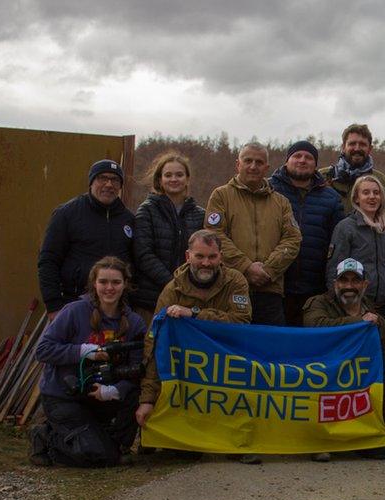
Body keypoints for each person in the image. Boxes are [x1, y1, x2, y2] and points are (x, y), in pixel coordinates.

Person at [134, 230, 254, 462]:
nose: (206, 263)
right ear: (188, 256)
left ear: (221, 257)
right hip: (189, 373)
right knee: (181, 452)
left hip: (226, 366)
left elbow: (241, 322)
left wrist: (194, 314)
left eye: (212, 257)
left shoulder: (236, 281)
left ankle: (238, 441)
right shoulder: (172, 291)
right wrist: (147, 399)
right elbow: (154, 344)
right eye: (200, 256)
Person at [29, 257, 145, 468]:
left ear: (125, 284)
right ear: (94, 283)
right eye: (103, 282)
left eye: (116, 282)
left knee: (133, 396)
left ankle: (114, 446)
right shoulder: (74, 311)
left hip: (102, 395)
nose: (109, 288)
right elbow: (43, 350)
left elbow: (137, 372)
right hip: (64, 396)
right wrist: (82, 351)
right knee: (99, 455)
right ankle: (45, 437)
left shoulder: (134, 322)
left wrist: (114, 390)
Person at [303, 258, 385, 461]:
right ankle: (323, 441)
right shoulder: (319, 304)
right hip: (323, 390)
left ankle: (348, 440)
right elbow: (313, 326)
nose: (349, 286)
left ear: (365, 285)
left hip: (356, 401)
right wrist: (358, 322)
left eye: (355, 281)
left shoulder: (378, 322)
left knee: (381, 452)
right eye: (343, 280)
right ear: (335, 284)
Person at [204, 142, 301, 326]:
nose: (253, 166)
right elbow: (214, 235)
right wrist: (246, 267)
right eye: (248, 161)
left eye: (259, 162)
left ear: (267, 168)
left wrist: (268, 270)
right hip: (229, 288)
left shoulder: (281, 202)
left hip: (270, 291)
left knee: (270, 350)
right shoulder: (220, 196)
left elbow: (293, 239)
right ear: (238, 164)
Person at [38, 160, 134, 320]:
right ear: (91, 182)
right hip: (73, 305)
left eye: (115, 180)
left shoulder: (129, 219)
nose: (109, 184)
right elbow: (48, 261)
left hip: (116, 309)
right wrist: (53, 305)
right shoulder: (67, 214)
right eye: (102, 178)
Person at [270, 140, 345, 326]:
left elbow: (337, 246)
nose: (302, 160)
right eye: (297, 156)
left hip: (314, 288)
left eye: (309, 157)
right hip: (274, 285)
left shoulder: (331, 198)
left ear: (316, 164)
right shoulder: (268, 190)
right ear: (287, 160)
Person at [131, 153, 205, 325]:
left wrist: (189, 288)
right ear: (159, 179)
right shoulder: (147, 210)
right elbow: (143, 254)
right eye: (168, 175)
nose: (174, 179)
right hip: (150, 300)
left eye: (179, 175)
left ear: (187, 179)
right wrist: (174, 283)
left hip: (189, 301)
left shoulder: (200, 214)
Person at [327, 174, 385, 325]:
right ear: (356, 198)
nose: (372, 197)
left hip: (384, 306)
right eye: (366, 192)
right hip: (355, 305)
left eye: (376, 192)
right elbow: (333, 270)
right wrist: (339, 307)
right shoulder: (345, 228)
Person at [319, 123, 385, 221]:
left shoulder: (380, 180)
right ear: (343, 147)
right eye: (352, 144)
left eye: (363, 144)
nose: (357, 148)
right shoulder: (323, 176)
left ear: (370, 149)